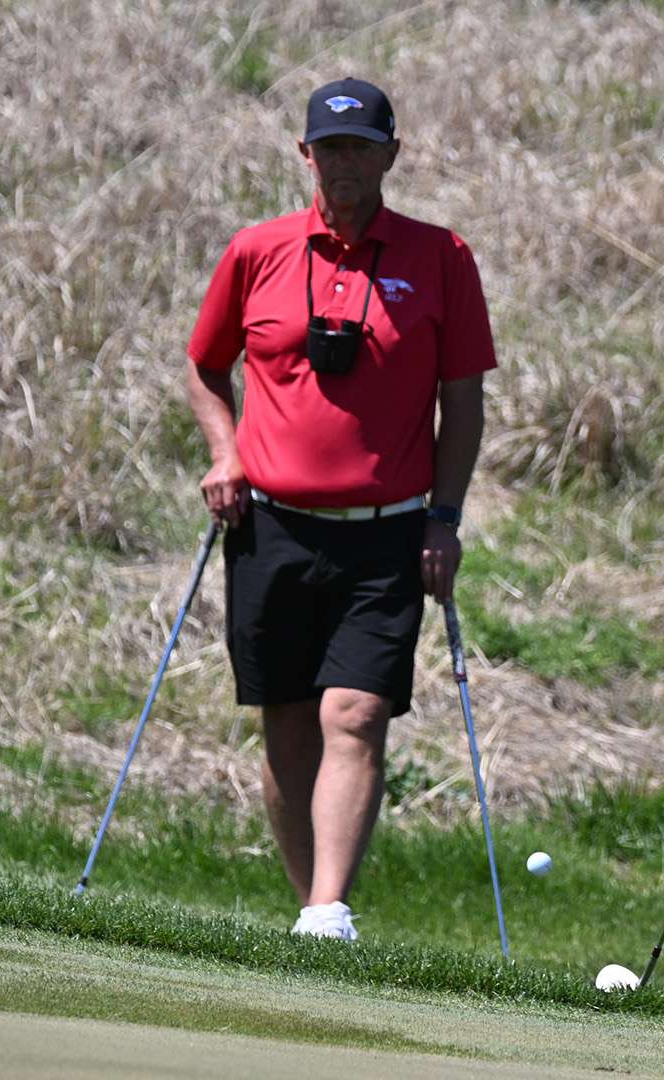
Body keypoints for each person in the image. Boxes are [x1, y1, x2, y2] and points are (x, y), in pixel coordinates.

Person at [184, 77, 495, 941]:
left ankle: (329, 910)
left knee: (354, 712)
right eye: (330, 147)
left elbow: (461, 401)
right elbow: (206, 366)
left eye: (361, 147)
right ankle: (308, 905)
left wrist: (445, 515)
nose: (344, 162)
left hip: (387, 530)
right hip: (269, 523)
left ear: (392, 153)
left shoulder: (441, 257)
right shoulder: (258, 251)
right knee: (285, 717)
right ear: (305, 154)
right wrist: (225, 452)